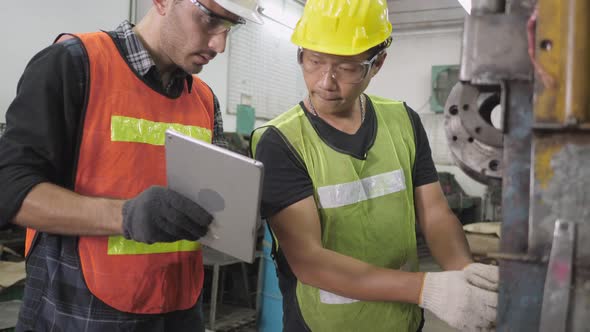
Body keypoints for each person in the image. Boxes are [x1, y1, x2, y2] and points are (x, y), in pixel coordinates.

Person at [0, 0, 261, 331]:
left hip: (179, 308)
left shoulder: (205, 100)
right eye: (209, 19)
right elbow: (11, 189)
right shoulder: (75, 64)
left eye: (231, 27)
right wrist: (124, 216)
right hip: (78, 311)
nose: (220, 45)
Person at [250, 0, 499, 331]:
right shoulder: (281, 141)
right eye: (314, 60)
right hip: (327, 324)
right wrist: (428, 289)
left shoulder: (403, 121)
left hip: (401, 320)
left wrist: (462, 271)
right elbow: (309, 261)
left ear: (378, 62)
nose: (326, 81)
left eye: (348, 67)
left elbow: (435, 213)